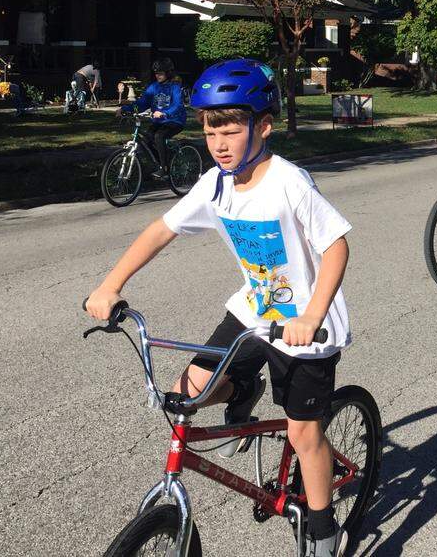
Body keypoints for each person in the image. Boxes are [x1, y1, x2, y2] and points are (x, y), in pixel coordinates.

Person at [85, 58, 353, 557]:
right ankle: (244, 385)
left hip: (306, 327)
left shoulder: (289, 181)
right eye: (211, 131)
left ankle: (321, 527)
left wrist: (312, 315)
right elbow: (160, 230)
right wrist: (110, 285)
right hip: (254, 314)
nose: (220, 143)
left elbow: (336, 245)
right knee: (184, 394)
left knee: (303, 433)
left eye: (231, 130)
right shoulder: (214, 185)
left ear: (264, 127)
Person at [121, 58, 187, 178]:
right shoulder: (154, 87)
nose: (158, 76)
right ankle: (160, 163)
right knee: (146, 139)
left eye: (161, 73)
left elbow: (177, 105)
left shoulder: (174, 87)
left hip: (175, 120)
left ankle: (164, 168)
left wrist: (164, 113)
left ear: (168, 73)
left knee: (159, 136)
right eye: (156, 73)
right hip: (160, 121)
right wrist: (125, 109)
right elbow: (142, 102)